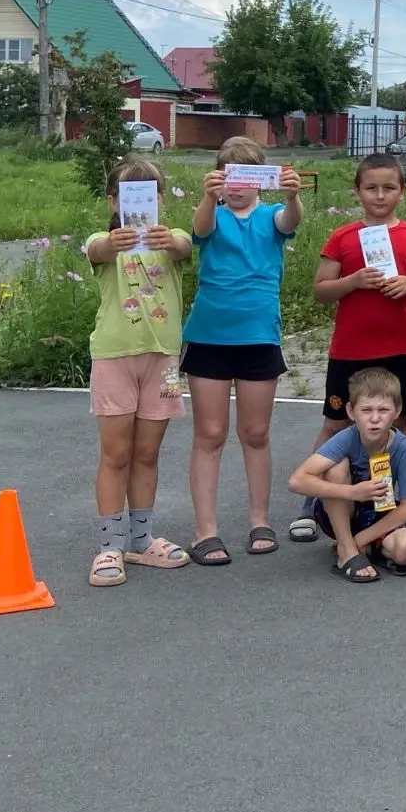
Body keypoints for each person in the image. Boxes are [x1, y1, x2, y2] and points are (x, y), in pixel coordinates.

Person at [295, 153, 406, 544]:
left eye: (388, 188)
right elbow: (320, 290)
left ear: (402, 192)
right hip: (350, 350)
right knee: (335, 423)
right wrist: (353, 281)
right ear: (357, 191)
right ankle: (312, 502)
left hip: (400, 347)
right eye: (371, 188)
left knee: (400, 423)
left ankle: (403, 497)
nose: (380, 195)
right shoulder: (343, 237)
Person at [180, 137, 303, 566]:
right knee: (209, 433)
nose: (236, 186)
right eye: (228, 177)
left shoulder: (272, 214)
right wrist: (206, 196)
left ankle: (259, 521)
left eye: (245, 177)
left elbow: (290, 220)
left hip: (259, 337)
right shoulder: (212, 213)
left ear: (260, 181)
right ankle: (205, 530)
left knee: (255, 433)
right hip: (209, 336)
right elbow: (200, 231)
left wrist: (292, 195)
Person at [83, 157, 194, 587]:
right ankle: (109, 545)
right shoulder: (104, 241)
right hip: (114, 357)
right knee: (116, 454)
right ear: (114, 201)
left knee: (147, 453)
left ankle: (142, 539)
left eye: (151, 195)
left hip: (162, 360)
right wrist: (114, 242)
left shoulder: (172, 239)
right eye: (130, 196)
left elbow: (185, 246)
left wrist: (172, 240)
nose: (142, 205)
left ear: (161, 199)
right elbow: (96, 250)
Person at [284, 366, 406, 583]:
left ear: (397, 410)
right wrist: (352, 492)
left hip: (378, 511)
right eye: (366, 410)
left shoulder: (403, 447)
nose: (374, 418)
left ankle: (358, 545)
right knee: (336, 467)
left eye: (383, 410)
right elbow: (296, 481)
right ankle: (346, 551)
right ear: (350, 411)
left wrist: (363, 538)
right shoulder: (346, 438)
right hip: (340, 511)